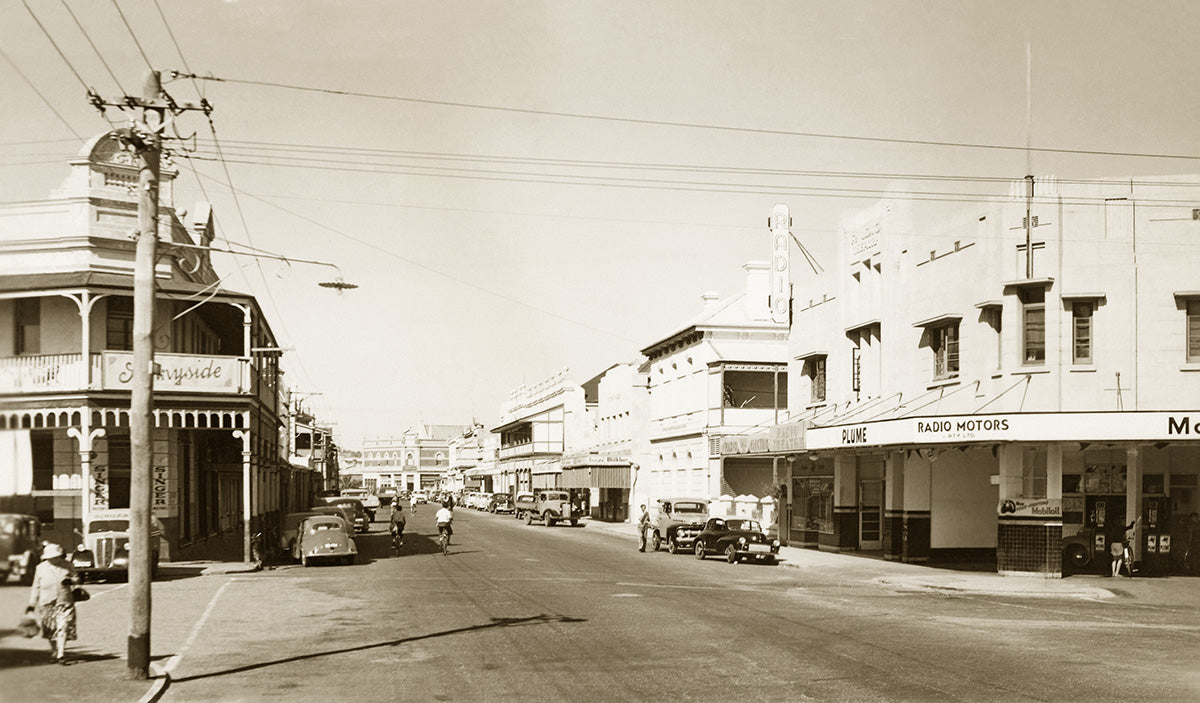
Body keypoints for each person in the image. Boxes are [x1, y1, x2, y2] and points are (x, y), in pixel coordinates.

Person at [25, 543, 79, 664]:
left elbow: (77, 578)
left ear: (60, 555)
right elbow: (36, 587)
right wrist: (31, 604)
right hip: (46, 602)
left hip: (64, 601)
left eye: (56, 556)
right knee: (49, 630)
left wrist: (70, 580)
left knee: (63, 626)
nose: (54, 559)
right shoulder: (40, 568)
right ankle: (54, 651)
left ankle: (61, 654)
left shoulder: (67, 565)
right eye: (51, 557)